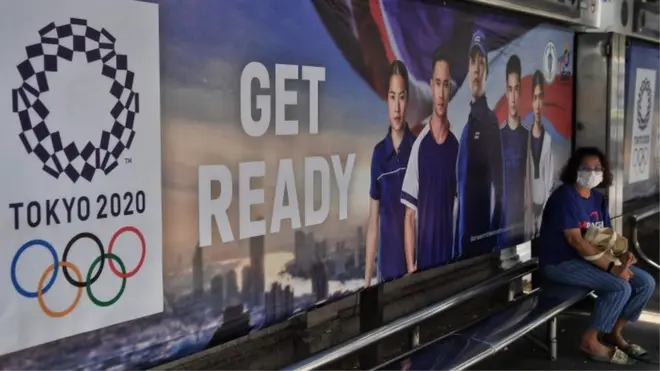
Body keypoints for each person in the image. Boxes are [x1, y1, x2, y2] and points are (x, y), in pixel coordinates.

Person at [540, 147, 656, 365]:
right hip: (562, 263)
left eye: (597, 168)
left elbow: (604, 236)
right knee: (619, 286)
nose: (592, 172)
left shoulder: (597, 199)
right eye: (586, 168)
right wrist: (613, 269)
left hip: (588, 261)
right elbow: (576, 241)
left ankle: (614, 332)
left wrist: (622, 256)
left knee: (645, 282)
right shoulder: (565, 197)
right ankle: (590, 341)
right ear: (574, 169)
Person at [401, 48, 458, 273]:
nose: (441, 92)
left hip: (451, 263)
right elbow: (409, 215)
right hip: (425, 265)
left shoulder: (456, 147)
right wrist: (411, 267)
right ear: (431, 85)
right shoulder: (420, 146)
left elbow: (460, 211)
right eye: (437, 83)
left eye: (446, 84)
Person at [365, 60, 415, 286]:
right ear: (386, 99)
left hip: (416, 270)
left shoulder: (418, 149)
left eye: (402, 97)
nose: (397, 107)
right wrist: (366, 282)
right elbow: (373, 223)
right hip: (386, 273)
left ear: (408, 100)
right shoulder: (378, 155)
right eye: (392, 96)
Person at [455, 30, 504, 257]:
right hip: (463, 251)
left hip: (479, 253)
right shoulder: (467, 127)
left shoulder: (489, 121)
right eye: (472, 62)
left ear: (486, 71)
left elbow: (501, 192)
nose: (476, 68)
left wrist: (490, 241)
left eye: (481, 62)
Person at [499, 55, 530, 247]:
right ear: (505, 91)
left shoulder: (528, 138)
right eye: (509, 89)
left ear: (521, 91)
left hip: (524, 226)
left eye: (516, 89)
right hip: (500, 227)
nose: (512, 97)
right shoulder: (497, 139)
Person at [527, 70, 554, 236]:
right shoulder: (525, 138)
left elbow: (549, 179)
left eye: (540, 98)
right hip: (527, 211)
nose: (537, 105)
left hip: (543, 207)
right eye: (534, 98)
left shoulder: (548, 139)